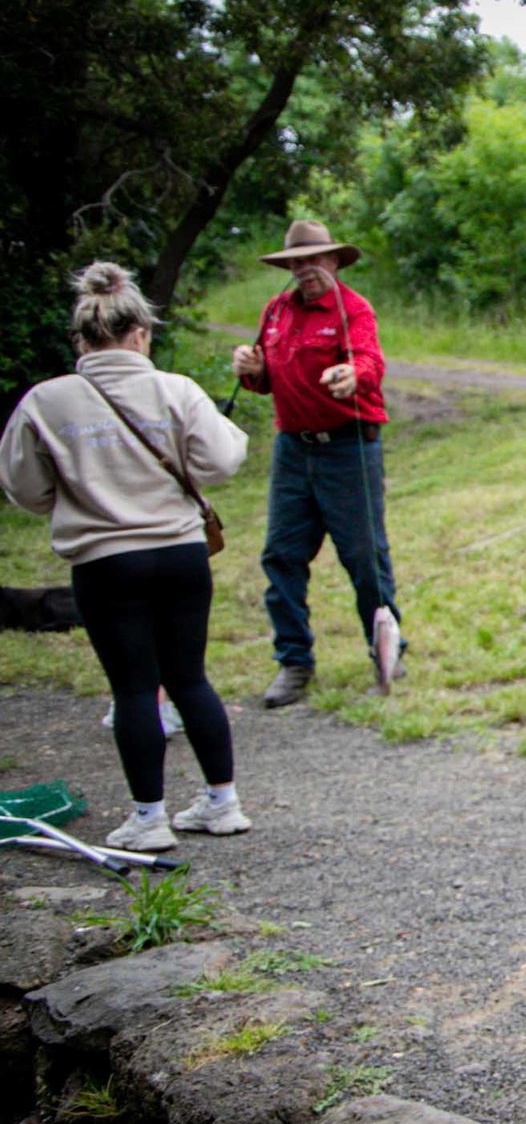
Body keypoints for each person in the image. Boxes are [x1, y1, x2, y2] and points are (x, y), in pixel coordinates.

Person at [1, 263, 250, 851]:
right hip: (182, 553)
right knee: (190, 677)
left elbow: (26, 491)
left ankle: (148, 817)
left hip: (105, 561)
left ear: (80, 339)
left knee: (135, 689)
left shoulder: (47, 401)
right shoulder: (176, 389)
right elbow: (221, 461)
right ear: (141, 333)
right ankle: (223, 802)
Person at [230, 217, 403, 707]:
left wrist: (354, 375)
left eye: (314, 260)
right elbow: (265, 380)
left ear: (334, 261)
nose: (306, 269)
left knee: (364, 557)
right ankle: (294, 662)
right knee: (281, 555)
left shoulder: (353, 309)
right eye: (296, 262)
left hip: (349, 448)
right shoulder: (276, 311)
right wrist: (253, 370)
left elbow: (370, 362)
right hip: (293, 449)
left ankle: (387, 651)